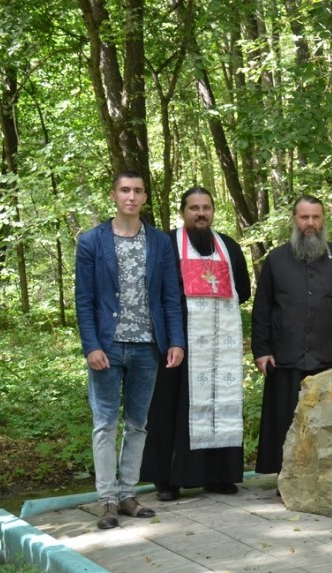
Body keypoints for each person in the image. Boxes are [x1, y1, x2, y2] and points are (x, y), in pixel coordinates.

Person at [75, 171, 185, 529]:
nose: (131, 196)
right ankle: (106, 500)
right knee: (105, 424)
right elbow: (84, 300)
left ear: (145, 198)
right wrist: (90, 345)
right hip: (107, 347)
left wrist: (176, 340)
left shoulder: (159, 242)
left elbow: (170, 296)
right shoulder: (93, 241)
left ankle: (127, 496)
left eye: (138, 191)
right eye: (125, 190)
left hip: (146, 346)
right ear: (113, 195)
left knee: (138, 425)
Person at [140, 187, 252, 501]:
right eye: (194, 208)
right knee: (172, 409)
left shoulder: (228, 246)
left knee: (220, 405)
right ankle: (169, 480)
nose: (201, 214)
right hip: (178, 344)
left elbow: (242, 289)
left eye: (206, 208)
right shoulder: (166, 244)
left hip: (220, 346)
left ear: (214, 211)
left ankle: (219, 476)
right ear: (183, 212)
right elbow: (154, 291)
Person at [251, 195, 332, 478]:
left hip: (329, 358)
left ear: (323, 220)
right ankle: (286, 479)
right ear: (295, 220)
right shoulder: (276, 260)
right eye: (304, 217)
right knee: (284, 422)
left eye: (316, 217)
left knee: (328, 423)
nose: (310, 223)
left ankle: (327, 478)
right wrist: (261, 350)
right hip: (284, 357)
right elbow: (262, 308)